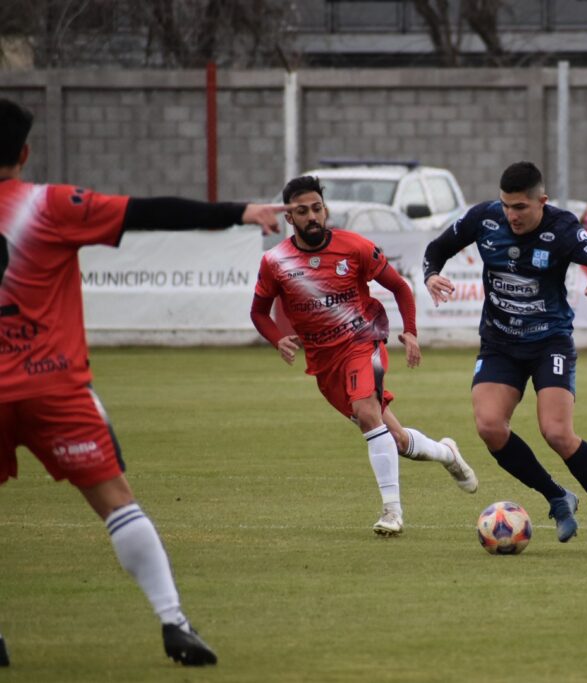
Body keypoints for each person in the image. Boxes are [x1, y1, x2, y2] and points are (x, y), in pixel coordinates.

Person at [0, 98, 289, 666]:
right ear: (25, 152)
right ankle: (172, 621)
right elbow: (147, 211)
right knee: (116, 503)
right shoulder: (48, 204)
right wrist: (240, 211)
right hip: (53, 384)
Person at [249, 175, 477, 538]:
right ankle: (447, 453)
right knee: (396, 440)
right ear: (290, 218)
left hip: (362, 342)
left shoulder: (354, 247)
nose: (312, 216)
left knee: (367, 413)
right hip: (324, 364)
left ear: (326, 209)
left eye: (317, 208)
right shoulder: (275, 262)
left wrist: (411, 332)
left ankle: (392, 512)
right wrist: (277, 339)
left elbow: (400, 287)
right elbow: (259, 312)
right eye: (302, 211)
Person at [423, 161, 587, 543]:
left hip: (549, 341)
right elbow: (436, 249)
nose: (511, 215)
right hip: (500, 342)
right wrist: (431, 275)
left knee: (556, 432)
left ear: (542, 201)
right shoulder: (484, 219)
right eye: (506, 205)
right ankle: (556, 497)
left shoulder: (564, 229)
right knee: (489, 426)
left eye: (520, 207)